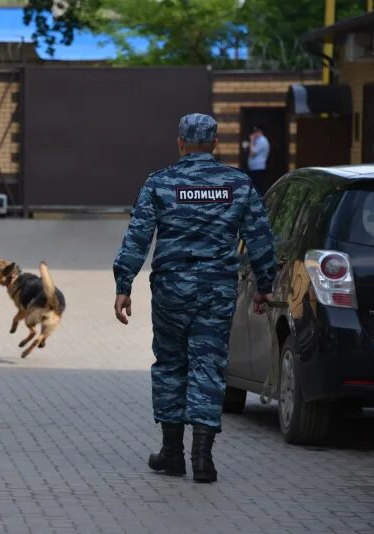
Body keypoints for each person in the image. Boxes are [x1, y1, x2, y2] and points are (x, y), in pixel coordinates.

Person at [112, 113, 277, 483]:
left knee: (171, 365)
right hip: (216, 291)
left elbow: (138, 237)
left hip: (171, 290)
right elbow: (261, 239)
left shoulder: (160, 183)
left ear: (180, 142)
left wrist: (124, 285)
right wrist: (265, 286)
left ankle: (172, 453)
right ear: (216, 143)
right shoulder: (238, 184)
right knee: (208, 366)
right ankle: (203, 459)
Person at [247, 125, 270, 193]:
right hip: (255, 169)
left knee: (259, 189)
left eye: (255, 132)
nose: (253, 134)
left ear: (259, 132)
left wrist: (251, 140)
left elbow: (252, 153)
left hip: (258, 169)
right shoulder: (259, 140)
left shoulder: (262, 140)